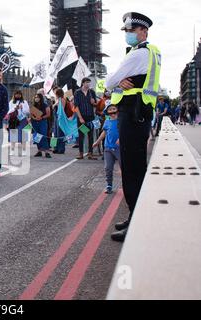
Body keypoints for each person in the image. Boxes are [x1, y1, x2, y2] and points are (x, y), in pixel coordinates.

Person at [105, 12, 161, 242]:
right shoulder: (152, 52)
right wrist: (118, 83)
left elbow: (109, 82)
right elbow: (114, 85)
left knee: (132, 170)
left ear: (143, 31)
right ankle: (134, 216)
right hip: (139, 115)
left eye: (131, 30)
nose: (128, 35)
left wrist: (116, 81)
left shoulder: (139, 54)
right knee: (136, 167)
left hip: (133, 114)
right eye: (127, 31)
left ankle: (136, 222)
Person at [93, 101, 121, 195]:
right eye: (110, 109)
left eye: (114, 109)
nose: (112, 111)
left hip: (119, 148)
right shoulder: (107, 121)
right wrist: (97, 142)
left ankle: (127, 185)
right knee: (108, 168)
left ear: (117, 110)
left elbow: (126, 131)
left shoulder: (121, 120)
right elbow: (104, 133)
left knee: (124, 168)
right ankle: (109, 185)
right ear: (107, 112)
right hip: (108, 148)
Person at [74, 77, 98, 160]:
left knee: (90, 135)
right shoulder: (77, 92)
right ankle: (81, 153)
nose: (88, 84)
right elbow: (76, 106)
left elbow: (96, 104)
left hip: (90, 117)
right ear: (83, 83)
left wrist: (94, 102)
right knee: (81, 136)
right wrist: (80, 118)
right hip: (82, 117)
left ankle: (90, 153)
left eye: (89, 82)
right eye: (87, 82)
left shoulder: (92, 92)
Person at [7, 90, 30, 156]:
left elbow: (28, 111)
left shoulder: (24, 102)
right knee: (13, 135)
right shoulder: (11, 102)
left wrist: (22, 108)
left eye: (19, 94)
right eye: (16, 94)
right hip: (13, 120)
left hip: (23, 120)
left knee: (23, 135)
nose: (18, 96)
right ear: (14, 95)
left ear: (21, 95)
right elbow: (8, 112)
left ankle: (24, 150)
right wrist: (15, 108)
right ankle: (12, 150)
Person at [31, 93, 52, 159]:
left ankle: (46, 152)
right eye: (35, 97)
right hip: (34, 122)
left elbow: (48, 114)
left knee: (43, 136)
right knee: (36, 136)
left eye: (37, 97)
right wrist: (33, 118)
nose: (36, 98)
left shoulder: (45, 105)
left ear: (41, 98)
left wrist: (42, 118)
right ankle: (39, 150)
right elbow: (31, 114)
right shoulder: (34, 105)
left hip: (42, 122)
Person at [53, 88, 67, 154]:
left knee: (60, 133)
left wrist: (56, 104)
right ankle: (55, 147)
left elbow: (62, 109)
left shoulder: (62, 99)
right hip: (55, 117)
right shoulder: (57, 99)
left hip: (60, 117)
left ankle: (61, 149)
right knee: (55, 133)